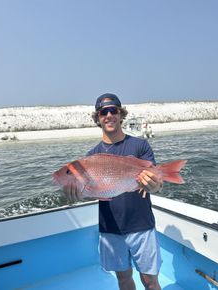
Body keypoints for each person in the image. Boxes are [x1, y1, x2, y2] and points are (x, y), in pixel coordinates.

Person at [64, 93, 163, 290]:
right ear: (98, 118)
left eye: (113, 110)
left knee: (150, 281)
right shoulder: (91, 156)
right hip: (111, 228)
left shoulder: (140, 145)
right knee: (123, 279)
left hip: (141, 225)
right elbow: (91, 191)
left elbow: (157, 182)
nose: (109, 115)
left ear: (120, 114)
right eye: (103, 112)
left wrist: (156, 185)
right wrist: (76, 195)